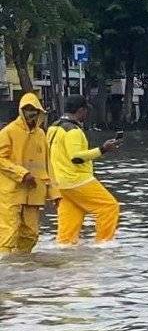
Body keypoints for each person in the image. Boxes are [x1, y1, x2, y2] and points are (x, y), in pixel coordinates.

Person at [47, 95, 121, 245]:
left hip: (61, 183)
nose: (87, 114)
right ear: (81, 110)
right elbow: (76, 158)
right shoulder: (73, 131)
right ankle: (104, 245)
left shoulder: (53, 128)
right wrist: (103, 149)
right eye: (86, 110)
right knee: (109, 207)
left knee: (68, 230)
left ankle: (64, 251)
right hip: (77, 180)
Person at [0, 93, 58, 253]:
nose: (30, 113)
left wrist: (55, 193)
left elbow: (48, 165)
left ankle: (22, 265)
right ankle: (5, 269)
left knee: (31, 234)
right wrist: (23, 174)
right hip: (11, 192)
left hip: (34, 193)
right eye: (27, 110)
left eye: (33, 110)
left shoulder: (41, 134)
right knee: (8, 232)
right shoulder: (8, 132)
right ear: (21, 111)